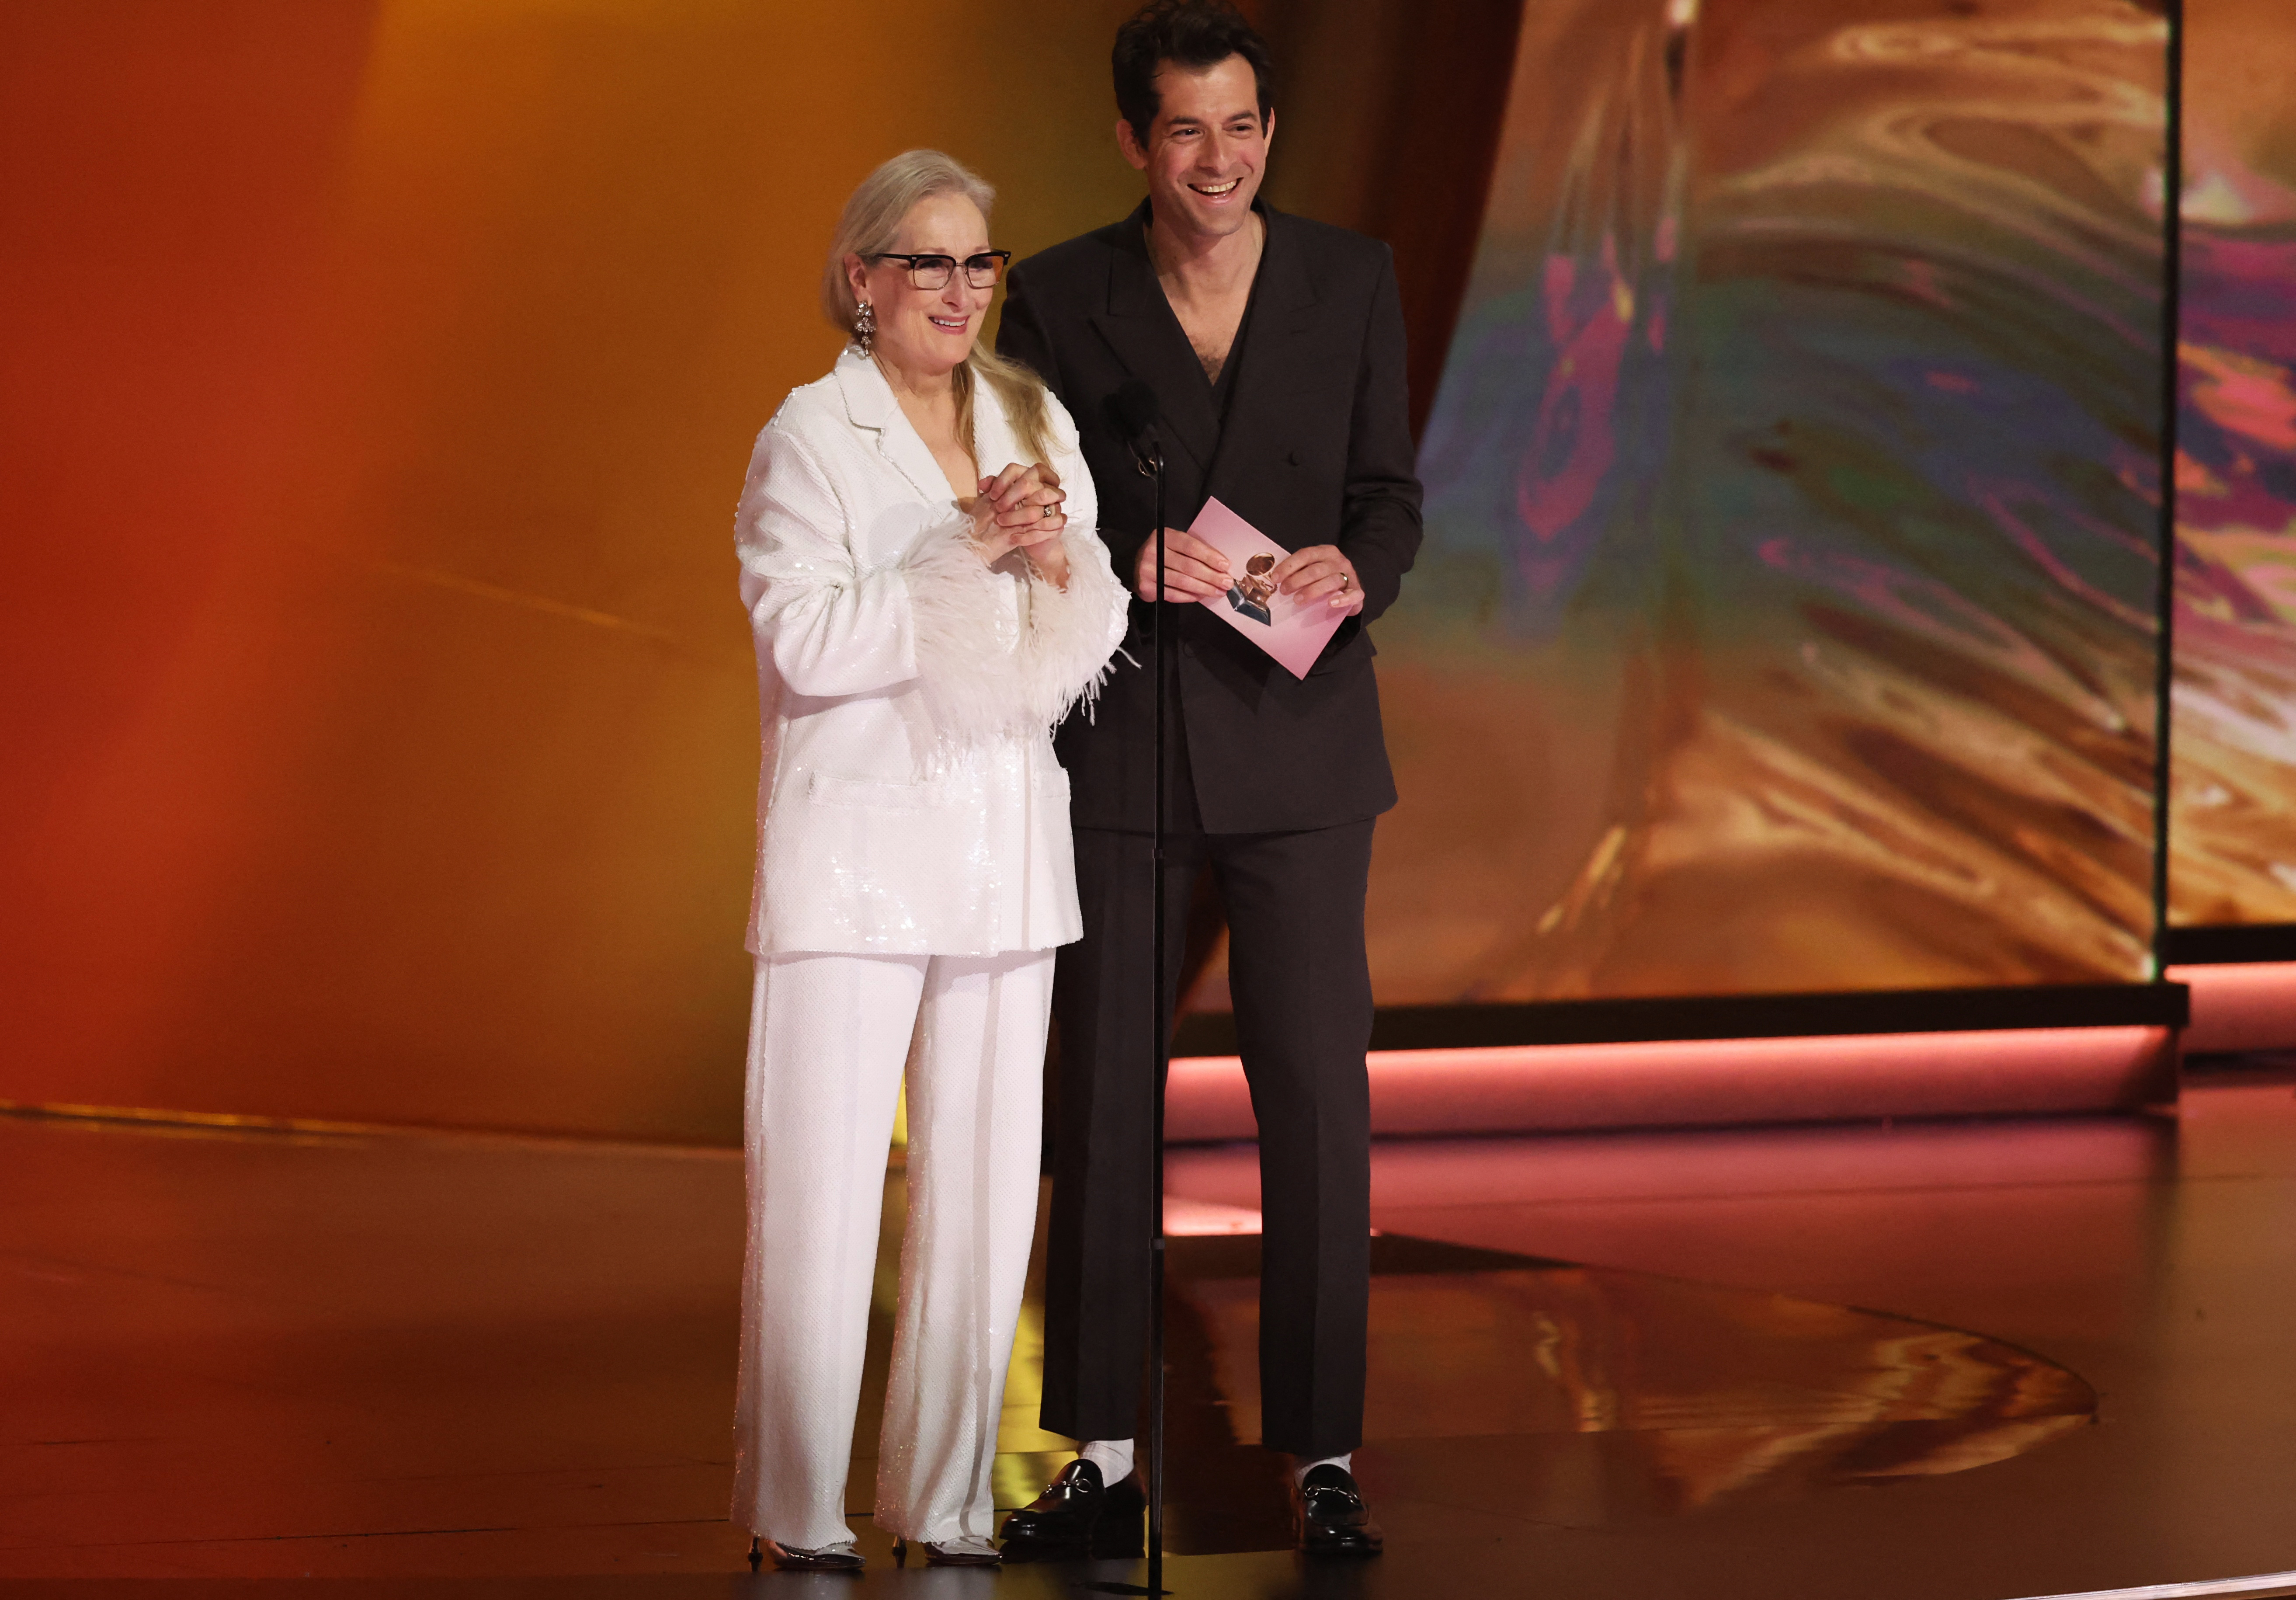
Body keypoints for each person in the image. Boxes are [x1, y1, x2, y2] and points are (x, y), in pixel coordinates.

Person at [995, 0, 1422, 1562]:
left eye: (1243, 127)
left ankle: (1323, 1450)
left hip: (1305, 746)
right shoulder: (1060, 295)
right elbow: (1035, 512)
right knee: (1102, 1094)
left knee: (1314, 1094)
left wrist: (1355, 569)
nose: (1220, 159)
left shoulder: (1350, 277)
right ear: (1134, 140)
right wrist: (1121, 555)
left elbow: (1390, 494)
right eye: (1187, 129)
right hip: (1130, 744)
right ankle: (1103, 1446)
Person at [728, 149, 1128, 1572]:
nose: (959, 292)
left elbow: (1088, 636)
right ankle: (796, 1505)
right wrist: (963, 548)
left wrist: (1051, 569)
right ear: (863, 280)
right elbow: (813, 641)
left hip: (1003, 853)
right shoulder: (810, 436)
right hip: (855, 856)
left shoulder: (1029, 411)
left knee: (985, 1189)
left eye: (980, 264)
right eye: (927, 264)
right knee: (826, 1193)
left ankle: (949, 1497)